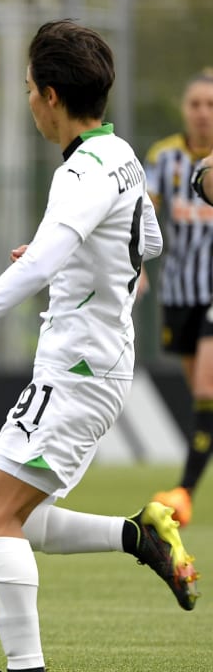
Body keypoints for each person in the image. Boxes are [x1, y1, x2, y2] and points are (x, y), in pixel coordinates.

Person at [0, 20, 199, 672]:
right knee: (3, 516)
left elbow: (43, 264)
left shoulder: (79, 175)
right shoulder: (121, 153)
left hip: (77, 367)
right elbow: (145, 244)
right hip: (93, 361)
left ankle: (27, 668)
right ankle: (140, 536)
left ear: (47, 96)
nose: (29, 102)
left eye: (27, 89)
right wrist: (74, 258)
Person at [147, 68, 213, 527]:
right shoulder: (164, 157)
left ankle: (184, 493)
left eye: (211, 106)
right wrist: (134, 265)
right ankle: (187, 489)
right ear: (184, 108)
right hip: (179, 293)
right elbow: (142, 216)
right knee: (203, 400)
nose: (203, 114)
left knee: (207, 388)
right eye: (196, 104)